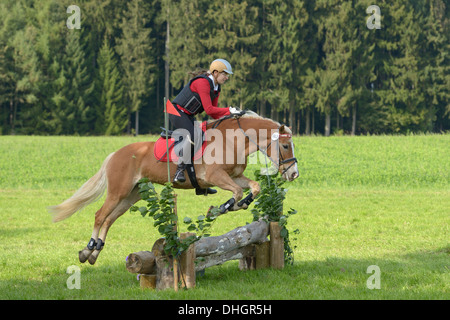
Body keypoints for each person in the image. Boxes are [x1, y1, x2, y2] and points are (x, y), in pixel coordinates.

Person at [169, 58, 241, 190]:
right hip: (176, 112)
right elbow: (208, 109)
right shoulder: (203, 83)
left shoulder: (216, 88)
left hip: (188, 115)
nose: (226, 78)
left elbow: (213, 114)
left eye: (227, 75)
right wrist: (228, 110)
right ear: (215, 73)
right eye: (225, 74)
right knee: (192, 136)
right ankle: (179, 170)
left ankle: (199, 182)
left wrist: (231, 115)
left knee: (204, 137)